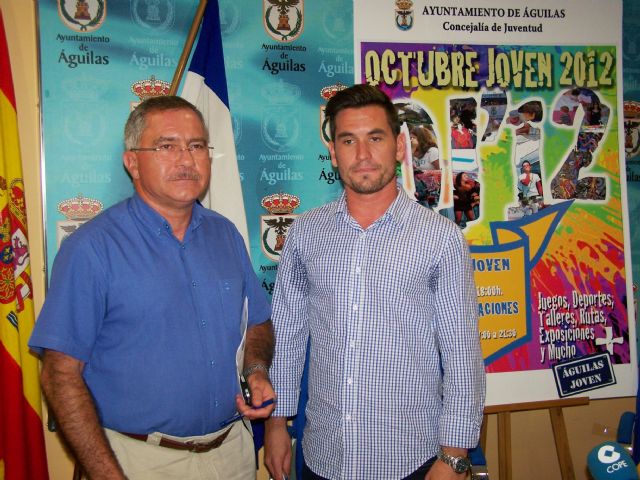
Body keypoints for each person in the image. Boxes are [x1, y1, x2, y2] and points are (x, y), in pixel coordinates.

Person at [29, 96, 275, 480]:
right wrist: (107, 474)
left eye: (196, 146)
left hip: (231, 453)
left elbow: (257, 322)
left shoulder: (225, 235)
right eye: (166, 146)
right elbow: (60, 375)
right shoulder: (92, 249)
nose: (186, 159)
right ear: (132, 162)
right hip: (138, 460)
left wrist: (256, 370)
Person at [264, 84, 485, 480]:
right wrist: (276, 423)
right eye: (348, 140)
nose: (362, 154)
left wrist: (454, 456)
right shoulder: (305, 234)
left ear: (399, 146)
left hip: (412, 460)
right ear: (334, 153)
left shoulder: (441, 238)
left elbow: (462, 354)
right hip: (323, 457)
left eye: (376, 138)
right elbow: (288, 334)